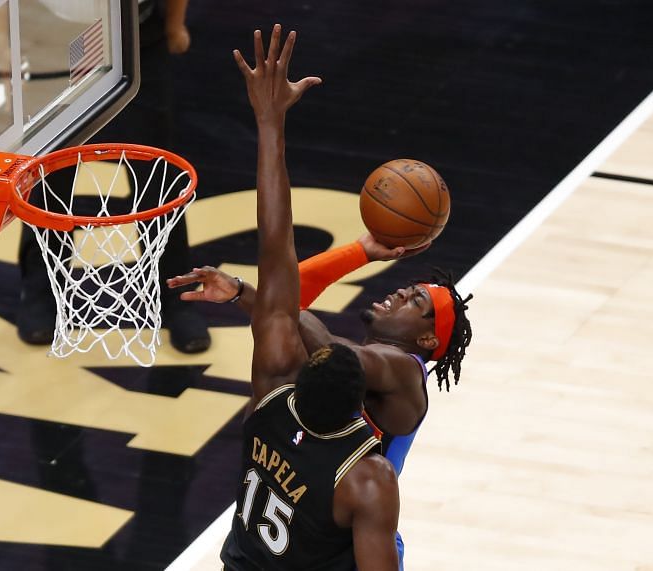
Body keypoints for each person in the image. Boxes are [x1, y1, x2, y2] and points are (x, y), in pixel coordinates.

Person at [169, 131, 473, 571]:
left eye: (417, 303)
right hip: (306, 511)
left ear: (428, 341)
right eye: (409, 288)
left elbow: (299, 317)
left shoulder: (405, 372)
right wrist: (248, 292)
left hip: (351, 535)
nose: (402, 291)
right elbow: (288, 307)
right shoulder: (337, 378)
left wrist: (254, 293)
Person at [216, 25, 400, 570]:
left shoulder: (271, 393)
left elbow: (275, 247)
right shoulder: (366, 479)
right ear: (362, 411)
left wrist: (269, 121)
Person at [16, 0, 211, 354]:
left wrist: (174, 26)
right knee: (50, 173)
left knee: (157, 176)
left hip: (136, 41)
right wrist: (5, 55)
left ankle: (177, 297)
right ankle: (41, 291)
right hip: (58, 43)